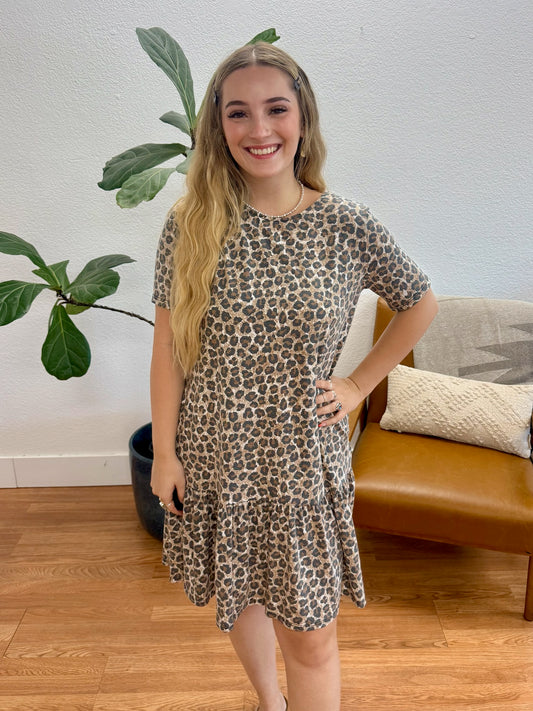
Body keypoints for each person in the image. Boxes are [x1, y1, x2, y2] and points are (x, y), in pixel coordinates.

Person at [150, 41, 438, 711]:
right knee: (241, 593)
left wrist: (357, 385)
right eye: (238, 113)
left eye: (276, 109)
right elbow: (167, 349)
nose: (259, 129)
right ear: (218, 126)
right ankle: (268, 700)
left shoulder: (345, 224)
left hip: (300, 461)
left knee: (312, 638)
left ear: (302, 117)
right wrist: (164, 453)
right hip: (215, 450)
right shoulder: (189, 223)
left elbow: (419, 302)